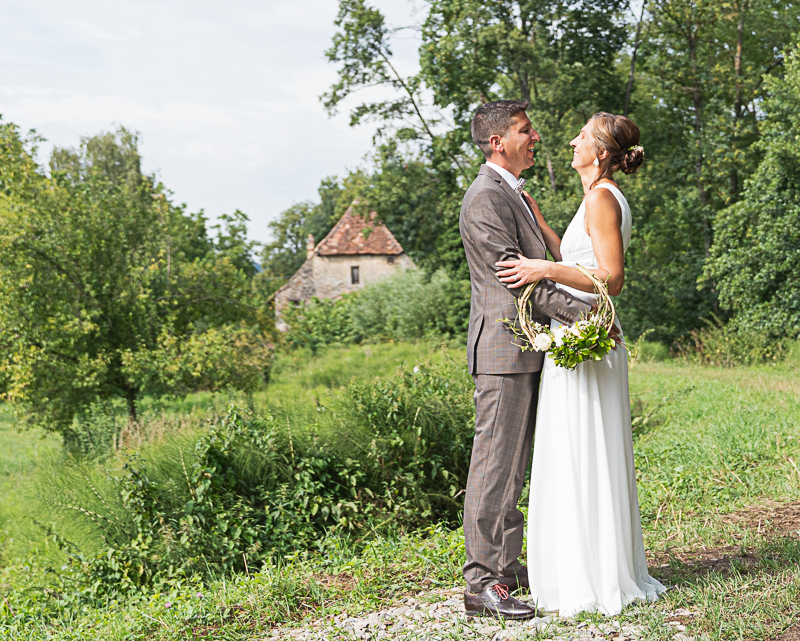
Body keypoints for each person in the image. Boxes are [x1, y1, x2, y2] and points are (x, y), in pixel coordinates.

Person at [495, 112, 667, 616]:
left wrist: (541, 268)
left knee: (580, 447)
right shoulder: (597, 196)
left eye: (582, 137)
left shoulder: (600, 197)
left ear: (602, 152)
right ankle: (583, 564)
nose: (572, 141)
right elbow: (581, 255)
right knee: (577, 448)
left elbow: (610, 277)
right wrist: (543, 225)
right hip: (579, 333)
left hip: (588, 336)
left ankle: (588, 574)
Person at [458, 100, 594, 620]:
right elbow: (517, 282)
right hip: (503, 351)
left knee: (514, 469)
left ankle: (510, 573)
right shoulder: (485, 199)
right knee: (494, 468)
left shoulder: (512, 193)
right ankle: (483, 583)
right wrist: (588, 316)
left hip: (529, 349)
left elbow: (545, 268)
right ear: (498, 142)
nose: (534, 137)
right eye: (524, 130)